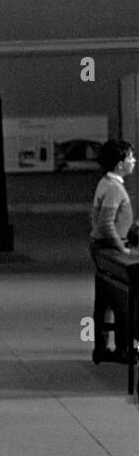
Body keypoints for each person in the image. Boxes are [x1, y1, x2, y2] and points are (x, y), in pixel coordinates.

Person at [87, 139, 137, 365]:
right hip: (109, 247)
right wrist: (122, 247)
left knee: (106, 298)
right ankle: (122, 348)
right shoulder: (115, 188)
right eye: (130, 157)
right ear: (119, 164)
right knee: (121, 300)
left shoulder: (105, 183)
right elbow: (107, 223)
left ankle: (102, 346)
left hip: (100, 246)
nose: (133, 160)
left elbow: (97, 219)